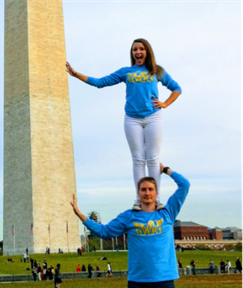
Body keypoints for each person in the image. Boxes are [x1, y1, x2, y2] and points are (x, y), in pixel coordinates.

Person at [66, 39, 181, 209]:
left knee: (153, 158)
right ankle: (139, 200)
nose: (138, 52)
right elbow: (100, 83)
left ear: (147, 52)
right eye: (135, 49)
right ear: (132, 53)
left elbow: (176, 88)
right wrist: (76, 74)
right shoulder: (126, 72)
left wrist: (165, 103)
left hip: (153, 117)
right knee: (138, 159)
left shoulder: (156, 70)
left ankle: (155, 199)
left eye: (141, 49)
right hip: (132, 119)